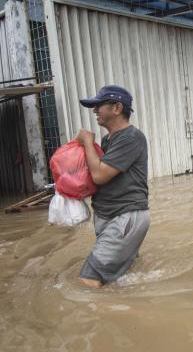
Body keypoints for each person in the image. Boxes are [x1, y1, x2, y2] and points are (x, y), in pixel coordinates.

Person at [76, 85, 149, 288]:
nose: (94, 111)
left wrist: (88, 142)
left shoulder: (131, 137)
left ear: (116, 108)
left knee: (87, 280)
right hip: (111, 216)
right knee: (119, 280)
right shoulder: (110, 138)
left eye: (99, 106)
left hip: (124, 216)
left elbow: (99, 175)